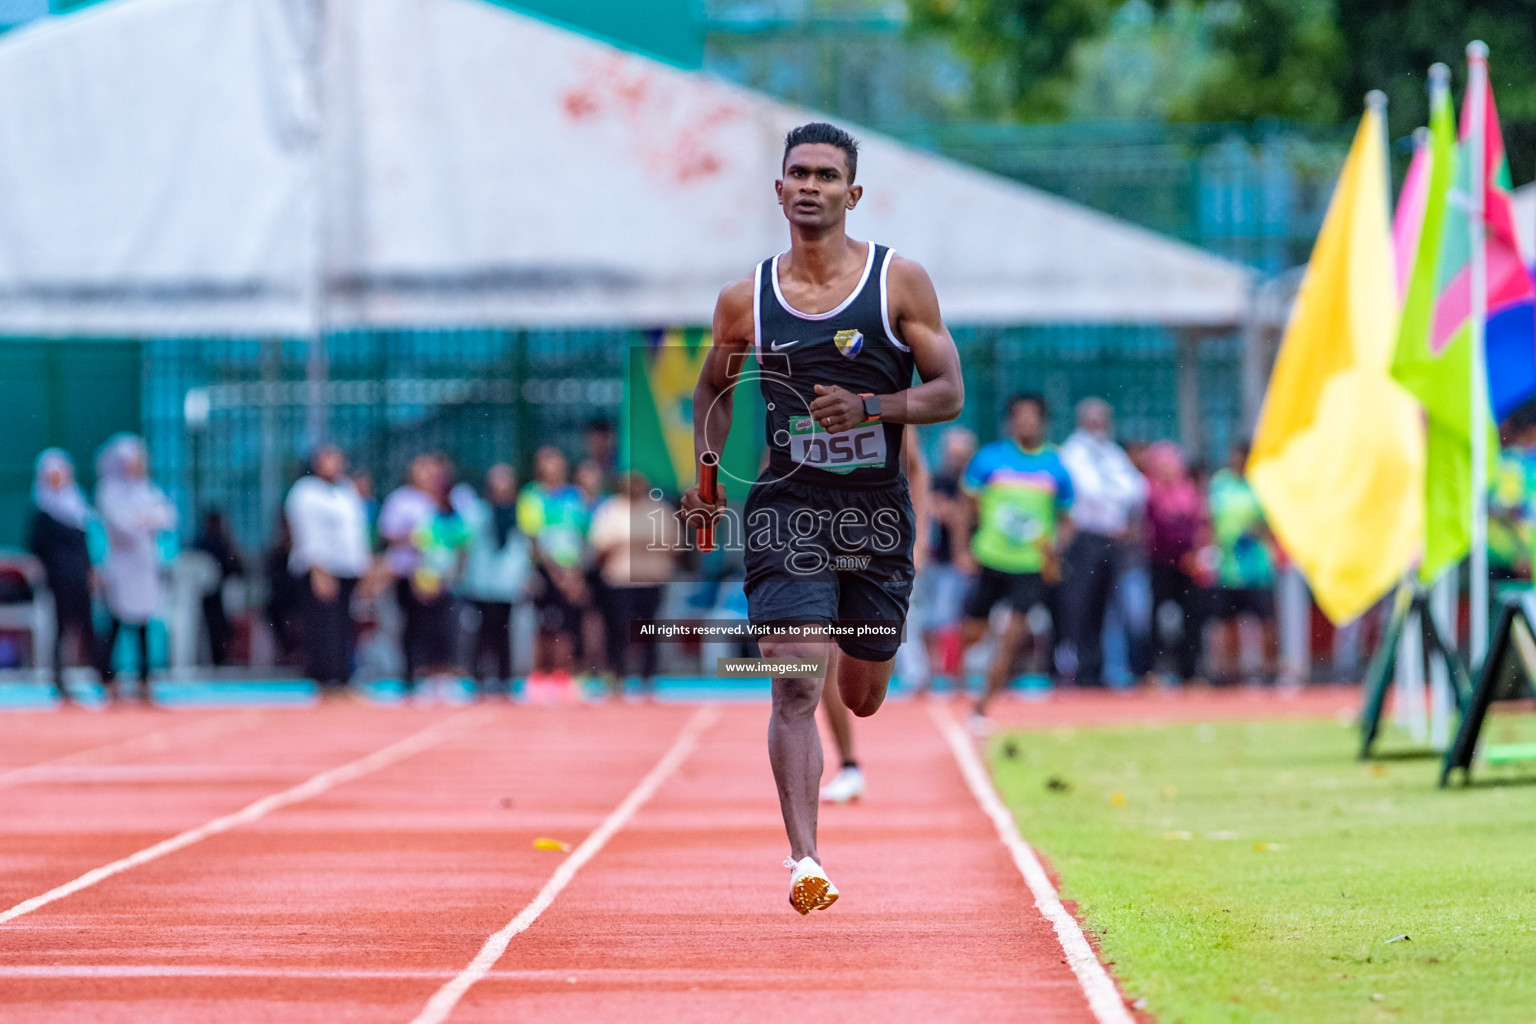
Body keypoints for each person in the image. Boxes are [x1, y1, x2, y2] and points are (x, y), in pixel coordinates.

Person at [683, 122, 964, 914]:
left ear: (853, 193)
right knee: (795, 681)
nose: (810, 186)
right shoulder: (746, 300)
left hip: (875, 514)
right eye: (797, 174)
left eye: (826, 175)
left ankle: (852, 647)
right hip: (789, 508)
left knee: (864, 692)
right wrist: (707, 480)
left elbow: (948, 393)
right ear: (779, 190)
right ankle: (805, 860)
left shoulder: (897, 283)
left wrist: (871, 405)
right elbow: (712, 390)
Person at [819, 426, 930, 804]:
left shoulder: (885, 394)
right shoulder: (794, 393)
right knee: (818, 657)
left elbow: (915, 467)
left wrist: (920, 535)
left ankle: (916, 678)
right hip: (817, 542)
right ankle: (848, 764)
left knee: (864, 697)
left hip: (880, 546)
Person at [954, 394, 1074, 731]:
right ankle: (959, 684)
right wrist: (962, 550)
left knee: (1012, 635)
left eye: (1033, 416)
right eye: (1020, 416)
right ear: (1010, 421)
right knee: (974, 633)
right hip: (990, 558)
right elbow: (965, 507)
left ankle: (982, 707)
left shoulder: (1056, 465)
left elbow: (1066, 518)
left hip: (1030, 565)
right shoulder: (989, 459)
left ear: (1043, 421)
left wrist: (1056, 546)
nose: (1026, 422)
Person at [1057, 397, 1147, 687]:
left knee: (1109, 606)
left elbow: (1135, 488)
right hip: (1086, 538)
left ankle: (1105, 670)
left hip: (1114, 540)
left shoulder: (1111, 453)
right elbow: (1088, 490)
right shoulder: (1073, 451)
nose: (1098, 424)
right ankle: (1081, 671)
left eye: (1102, 419)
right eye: (1093, 419)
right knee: (1081, 604)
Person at [94, 434, 177, 704]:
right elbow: (122, 526)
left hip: (144, 568)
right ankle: (109, 679)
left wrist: (142, 518)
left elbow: (168, 517)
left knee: (143, 624)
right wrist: (146, 519)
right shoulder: (109, 491)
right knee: (116, 623)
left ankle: (144, 680)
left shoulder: (147, 489)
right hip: (120, 568)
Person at [285, 445, 372, 694]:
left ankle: (343, 678)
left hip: (347, 568)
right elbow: (305, 533)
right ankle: (325, 679)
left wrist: (364, 566)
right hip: (321, 568)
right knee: (324, 625)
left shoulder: (345, 490)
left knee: (344, 626)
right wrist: (317, 568)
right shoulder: (306, 492)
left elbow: (356, 532)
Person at [380, 454, 468, 699]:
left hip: (441, 575)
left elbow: (458, 536)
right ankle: (413, 678)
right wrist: (414, 538)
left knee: (443, 627)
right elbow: (388, 534)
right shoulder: (401, 499)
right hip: (409, 573)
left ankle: (441, 676)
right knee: (414, 627)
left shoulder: (446, 500)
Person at [588, 472, 677, 700]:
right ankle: (617, 675)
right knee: (619, 629)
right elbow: (599, 544)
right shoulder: (610, 510)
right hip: (620, 580)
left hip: (650, 580)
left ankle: (648, 677)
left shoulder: (659, 510)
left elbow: (674, 543)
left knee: (648, 631)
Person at [518, 447, 591, 696]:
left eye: (557, 461)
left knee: (569, 625)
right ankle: (540, 677)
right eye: (547, 462)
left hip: (572, 571)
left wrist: (576, 574)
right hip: (546, 571)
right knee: (546, 625)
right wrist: (557, 573)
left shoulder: (575, 496)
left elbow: (581, 536)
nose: (553, 466)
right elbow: (534, 539)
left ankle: (563, 676)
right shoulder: (532, 496)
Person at [459, 463, 533, 698]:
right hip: (482, 583)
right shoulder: (478, 512)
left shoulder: (520, 513)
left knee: (504, 633)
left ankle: (504, 679)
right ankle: (479, 679)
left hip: (508, 583)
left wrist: (526, 576)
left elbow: (525, 548)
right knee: (481, 634)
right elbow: (466, 546)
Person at [27, 449, 94, 705]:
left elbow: (84, 544)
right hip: (58, 577)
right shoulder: (42, 510)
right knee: (61, 627)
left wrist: (90, 570)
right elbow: (36, 546)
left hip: (79, 575)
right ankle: (59, 678)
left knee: (84, 625)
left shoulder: (77, 505)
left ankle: (97, 676)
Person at [1207, 442, 1277, 684]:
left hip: (1257, 568)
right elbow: (1209, 519)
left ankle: (1269, 672)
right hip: (1228, 568)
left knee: (1266, 622)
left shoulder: (1261, 484)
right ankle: (1230, 673)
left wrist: (1256, 530)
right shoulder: (1220, 484)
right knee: (1227, 623)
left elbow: (1273, 523)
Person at [1142, 442, 1209, 685]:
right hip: (1160, 564)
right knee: (1155, 618)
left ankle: (1191, 672)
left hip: (1188, 566)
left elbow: (1200, 525)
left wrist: (1197, 554)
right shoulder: (1149, 491)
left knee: (1192, 618)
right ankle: (1151, 672)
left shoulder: (1190, 491)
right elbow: (1159, 529)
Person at [922, 426, 978, 692]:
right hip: (942, 561)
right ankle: (935, 673)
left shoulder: (975, 482)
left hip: (973, 562)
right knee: (939, 619)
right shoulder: (941, 479)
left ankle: (957, 674)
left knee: (963, 621)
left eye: (964, 455)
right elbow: (944, 514)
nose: (959, 460)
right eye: (955, 455)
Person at [192, 509, 243, 667]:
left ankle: (221, 655)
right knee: (216, 625)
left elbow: (236, 569)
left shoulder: (213, 543)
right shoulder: (211, 544)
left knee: (219, 624)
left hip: (220, 596)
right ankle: (219, 656)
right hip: (208, 597)